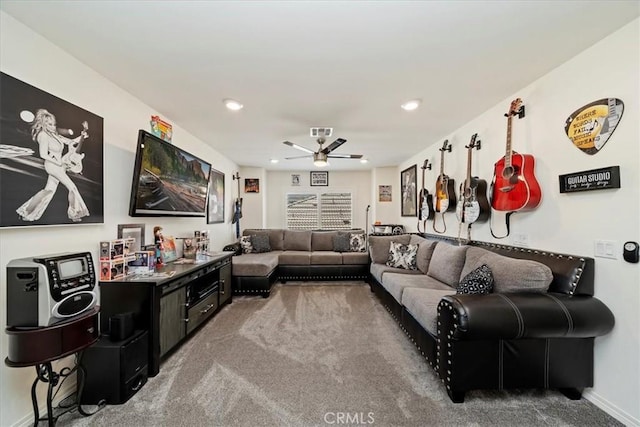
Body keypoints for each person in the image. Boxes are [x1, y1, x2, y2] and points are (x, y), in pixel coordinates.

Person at [16, 109, 90, 222]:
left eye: (54, 124)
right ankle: (75, 214)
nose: (53, 126)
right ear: (43, 124)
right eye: (50, 124)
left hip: (58, 165)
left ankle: (27, 212)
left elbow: (70, 142)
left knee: (49, 190)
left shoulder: (54, 135)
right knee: (72, 187)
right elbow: (43, 154)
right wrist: (58, 162)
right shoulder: (43, 135)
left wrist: (82, 135)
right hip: (52, 165)